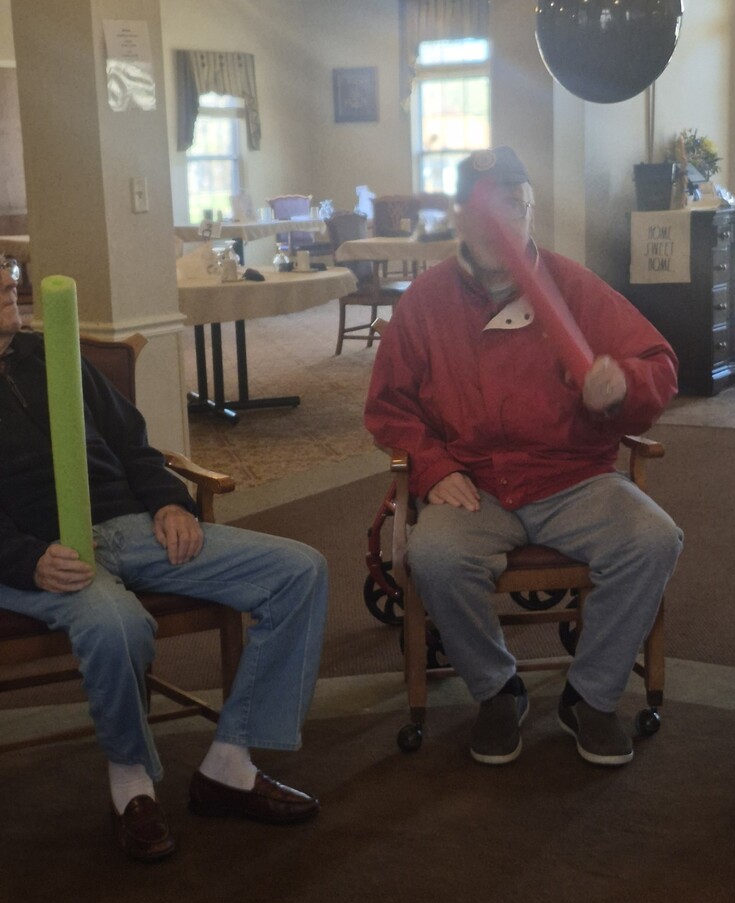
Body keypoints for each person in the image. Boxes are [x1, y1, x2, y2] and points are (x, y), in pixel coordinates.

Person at [0, 255, 328, 861]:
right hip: (36, 552)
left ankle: (229, 763)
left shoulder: (52, 353)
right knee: (117, 625)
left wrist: (171, 503)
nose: (7, 280)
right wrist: (27, 560)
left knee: (298, 570)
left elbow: (132, 442)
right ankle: (131, 784)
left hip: (128, 523)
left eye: (4, 266)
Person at [364, 147, 683, 768]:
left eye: (514, 204)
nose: (500, 221)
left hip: (572, 477)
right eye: (485, 207)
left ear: (531, 211)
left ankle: (590, 695)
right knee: (435, 556)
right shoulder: (425, 301)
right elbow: (388, 407)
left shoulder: (574, 286)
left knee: (653, 539)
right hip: (474, 483)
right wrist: (433, 467)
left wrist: (622, 385)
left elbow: (658, 363)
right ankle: (497, 689)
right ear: (460, 216)